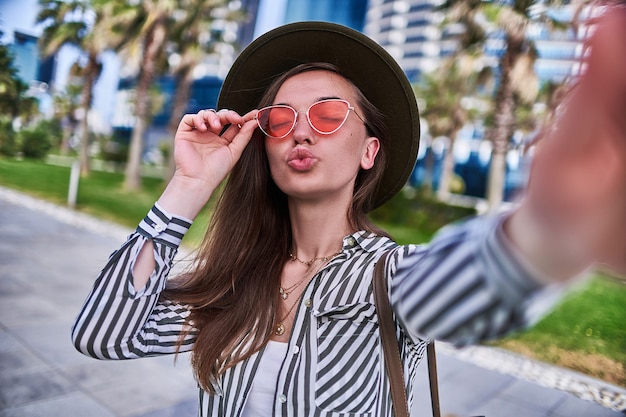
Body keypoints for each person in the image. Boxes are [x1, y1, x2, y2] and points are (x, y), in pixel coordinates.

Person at [72, 12, 625, 417]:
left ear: (369, 151)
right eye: (281, 119)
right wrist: (188, 186)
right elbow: (102, 334)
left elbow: (465, 284)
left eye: (330, 115)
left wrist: (550, 229)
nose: (303, 130)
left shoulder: (389, 276)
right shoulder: (234, 277)